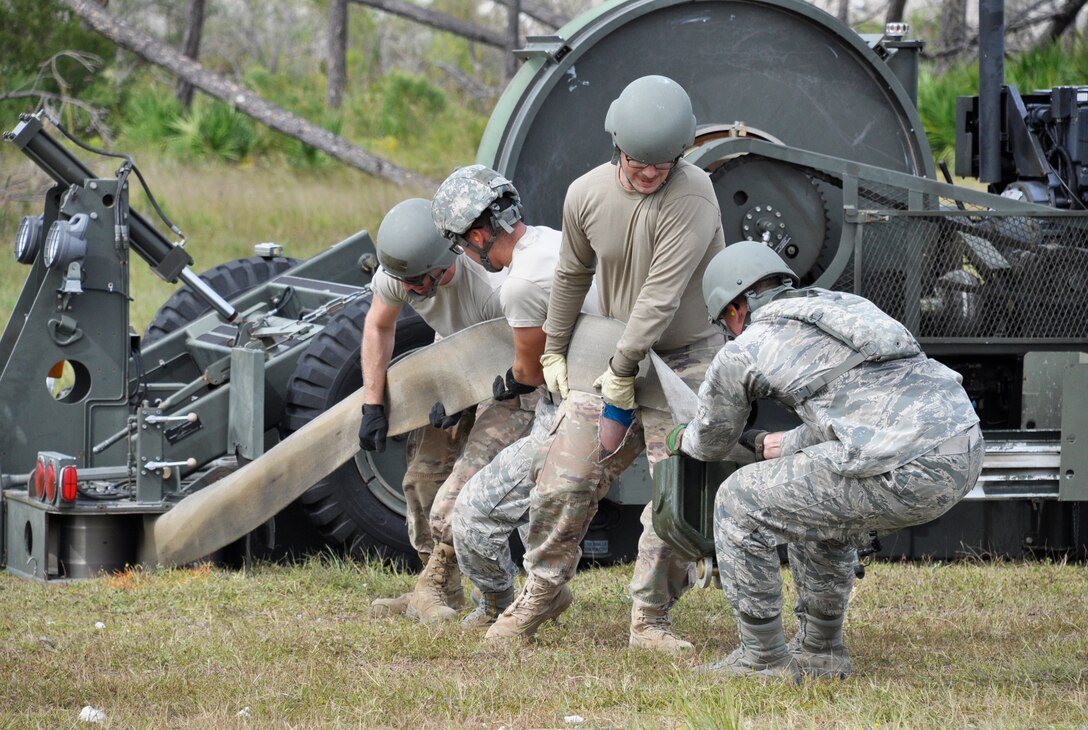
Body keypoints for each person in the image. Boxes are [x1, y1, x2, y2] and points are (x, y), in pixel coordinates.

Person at [483, 75, 726, 652]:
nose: (650, 174)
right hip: (612, 345)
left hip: (685, 357)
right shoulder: (586, 193)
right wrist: (555, 347)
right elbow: (571, 274)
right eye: (640, 163)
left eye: (663, 163)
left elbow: (661, 298)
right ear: (617, 144)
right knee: (565, 476)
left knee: (677, 493)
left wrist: (620, 370)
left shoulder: (694, 195)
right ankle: (541, 592)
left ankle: (650, 617)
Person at [669, 240, 984, 679]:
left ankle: (761, 660)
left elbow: (711, 442)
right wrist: (776, 444)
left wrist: (679, 436)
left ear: (737, 307)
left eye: (725, 321)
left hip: (906, 469)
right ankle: (821, 651)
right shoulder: (848, 306)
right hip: (963, 446)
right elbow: (865, 405)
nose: (729, 330)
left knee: (738, 502)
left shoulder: (747, 346)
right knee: (816, 497)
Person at [361, 197, 535, 623]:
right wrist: (372, 402)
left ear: (449, 255)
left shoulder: (494, 285)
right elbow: (379, 325)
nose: (415, 290)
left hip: (514, 380)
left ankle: (458, 589)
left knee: (461, 490)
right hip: (456, 365)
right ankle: (439, 588)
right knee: (422, 483)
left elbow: (525, 358)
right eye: (407, 283)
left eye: (423, 281)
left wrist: (471, 397)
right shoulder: (402, 272)